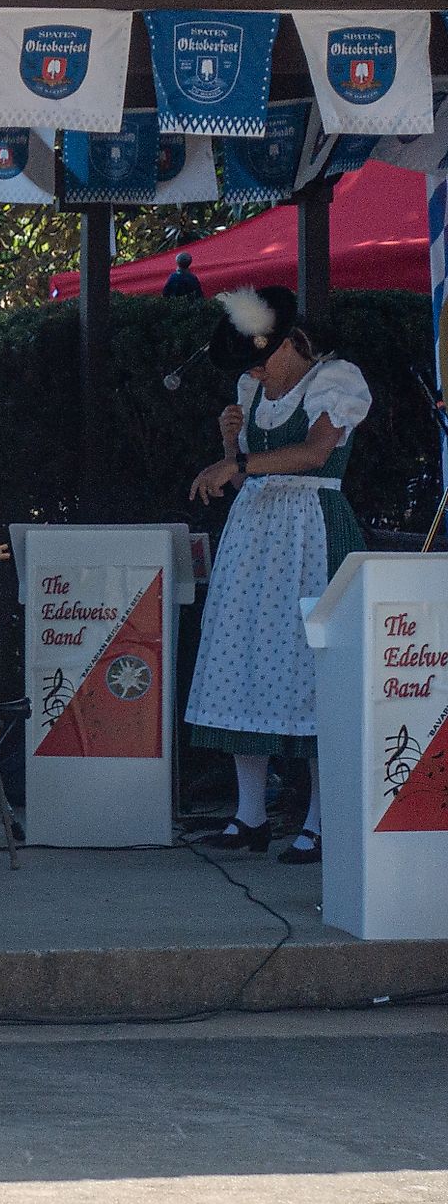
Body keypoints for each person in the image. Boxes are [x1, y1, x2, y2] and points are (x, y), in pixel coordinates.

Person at [183, 286, 371, 865]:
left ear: (288, 341)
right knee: (245, 660)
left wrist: (237, 459)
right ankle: (250, 813)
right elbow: (248, 481)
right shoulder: (250, 390)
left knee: (318, 668)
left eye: (260, 361)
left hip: (313, 531)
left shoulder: (336, 380)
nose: (256, 374)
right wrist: (228, 444)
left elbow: (314, 454)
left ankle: (321, 817)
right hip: (256, 538)